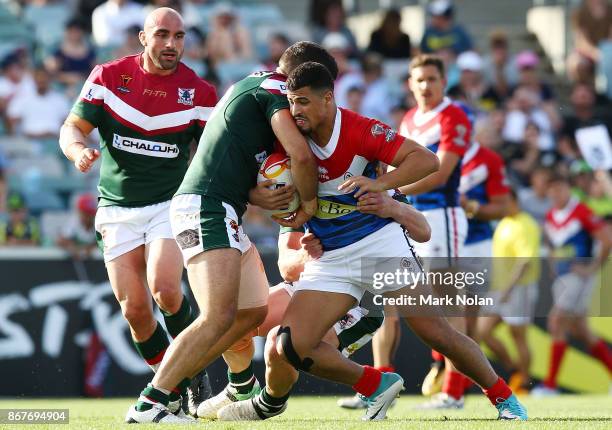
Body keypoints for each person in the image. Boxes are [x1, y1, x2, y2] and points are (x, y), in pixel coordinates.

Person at [218, 61, 527, 422]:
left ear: (328, 98)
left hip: (379, 245)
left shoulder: (359, 129)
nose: (295, 110)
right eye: (291, 101)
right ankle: (375, 384)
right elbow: (270, 196)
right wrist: (270, 203)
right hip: (330, 258)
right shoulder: (287, 138)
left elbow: (426, 160)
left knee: (436, 332)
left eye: (303, 102)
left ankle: (504, 397)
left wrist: (381, 187)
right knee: (289, 346)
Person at [124, 42, 336, 423]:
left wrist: (254, 194)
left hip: (223, 207)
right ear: (299, 80)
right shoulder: (273, 90)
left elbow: (237, 160)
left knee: (250, 311)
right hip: (206, 207)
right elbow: (300, 156)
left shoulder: (255, 89)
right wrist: (307, 210)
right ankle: (151, 402)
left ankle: (181, 389)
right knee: (218, 315)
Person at [59, 7, 218, 417]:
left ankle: (191, 375)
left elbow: (215, 155)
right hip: (115, 209)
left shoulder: (199, 92)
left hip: (170, 204)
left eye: (180, 36)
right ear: (143, 38)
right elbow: (71, 127)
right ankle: (174, 387)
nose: (172, 44)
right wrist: (79, 151)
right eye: (162, 34)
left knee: (165, 288)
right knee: (134, 311)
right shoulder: (109, 76)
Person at [199, 193, 432, 418]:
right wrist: (305, 255)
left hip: (359, 298)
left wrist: (393, 208)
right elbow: (287, 267)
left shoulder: (371, 182)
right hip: (311, 284)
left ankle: (270, 403)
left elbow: (422, 231)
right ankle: (241, 388)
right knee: (237, 317)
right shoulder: (301, 193)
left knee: (278, 344)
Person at [398, 54, 472, 408]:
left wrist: (391, 188)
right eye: (420, 79)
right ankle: (440, 370)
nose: (426, 85)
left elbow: (441, 173)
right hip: (413, 216)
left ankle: (454, 391)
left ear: (444, 81)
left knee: (449, 300)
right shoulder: (409, 119)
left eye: (432, 78)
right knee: (422, 300)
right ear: (410, 84)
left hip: (443, 213)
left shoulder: (454, 114)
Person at [532, 172, 612, 396]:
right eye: (552, 189)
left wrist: (592, 268)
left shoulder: (582, 210)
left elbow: (606, 239)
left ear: (568, 188)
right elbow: (552, 245)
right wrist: (552, 267)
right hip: (563, 278)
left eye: (560, 187)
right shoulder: (550, 215)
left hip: (578, 277)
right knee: (581, 330)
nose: (556, 193)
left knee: (557, 321)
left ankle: (549, 385)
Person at [479, 189, 541, 395]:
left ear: (513, 200)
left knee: (518, 336)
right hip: (499, 289)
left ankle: (524, 384)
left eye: (503, 201)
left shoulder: (527, 224)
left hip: (518, 288)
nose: (499, 205)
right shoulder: (504, 223)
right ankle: (515, 370)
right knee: (481, 332)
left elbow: (525, 261)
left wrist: (509, 288)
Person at [57, 193, 98, 259]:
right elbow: (60, 240)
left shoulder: (99, 222)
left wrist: (90, 248)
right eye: (86, 214)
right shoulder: (74, 222)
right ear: (80, 212)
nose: (89, 217)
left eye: (92, 214)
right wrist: (72, 248)